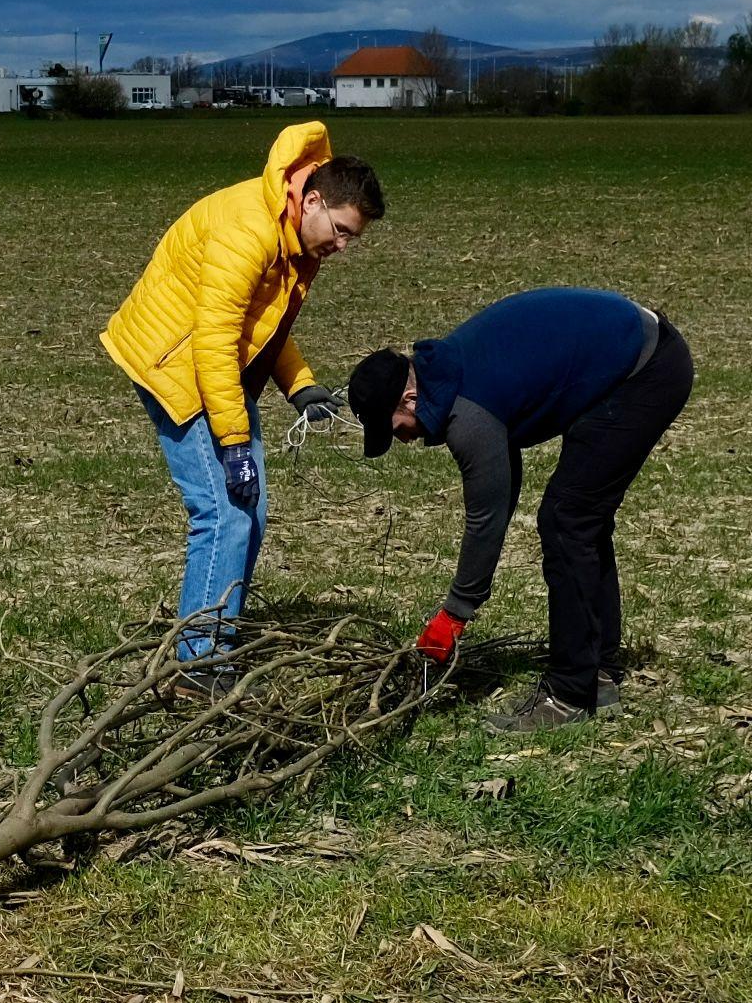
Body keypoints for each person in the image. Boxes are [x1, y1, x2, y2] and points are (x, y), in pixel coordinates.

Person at [344, 287, 693, 732]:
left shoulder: (467, 413)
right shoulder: (451, 376)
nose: (402, 438)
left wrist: (454, 614)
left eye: (393, 427)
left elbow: (485, 519)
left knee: (568, 520)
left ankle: (571, 694)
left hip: (645, 370)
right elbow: (502, 488)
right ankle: (598, 674)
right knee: (578, 519)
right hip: (638, 357)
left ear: (409, 399)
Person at [101, 125, 385, 664]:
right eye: (342, 231)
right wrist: (234, 445)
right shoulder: (250, 229)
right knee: (223, 513)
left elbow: (259, 322)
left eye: (353, 238)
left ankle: (217, 637)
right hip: (177, 364)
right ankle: (198, 662)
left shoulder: (296, 236)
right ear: (313, 200)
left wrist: (299, 384)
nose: (343, 247)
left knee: (250, 509)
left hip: (217, 364)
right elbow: (214, 338)